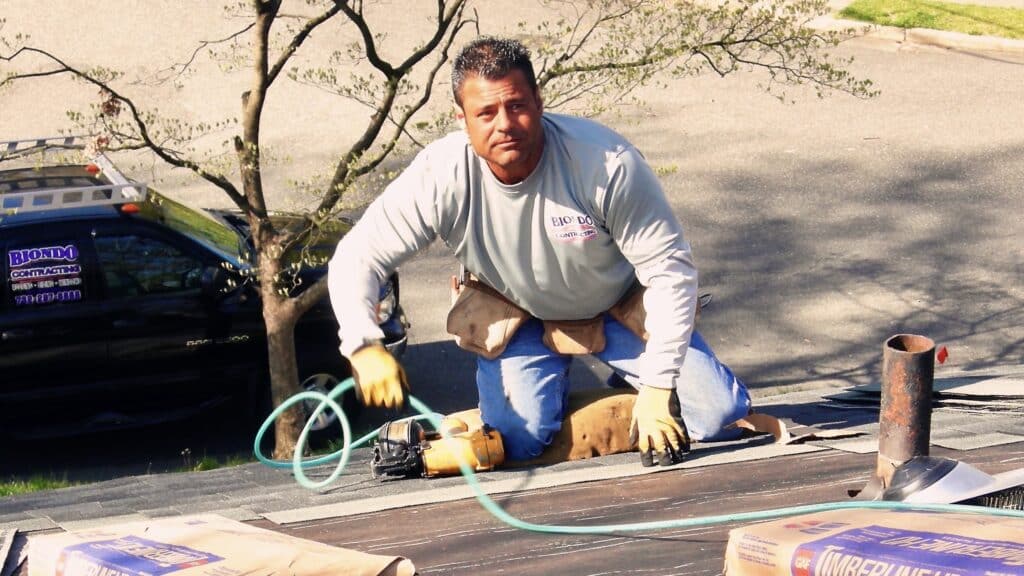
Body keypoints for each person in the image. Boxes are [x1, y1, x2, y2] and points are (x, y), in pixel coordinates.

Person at [328, 36, 751, 468]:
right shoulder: (439, 177)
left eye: (516, 106)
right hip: (516, 313)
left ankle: (634, 390)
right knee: (517, 442)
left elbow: (670, 273)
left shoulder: (606, 164)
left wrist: (659, 386)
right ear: (462, 119)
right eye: (486, 113)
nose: (504, 124)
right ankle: (508, 417)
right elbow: (356, 258)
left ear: (539, 101)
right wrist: (362, 343)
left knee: (717, 416)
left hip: (616, 305)